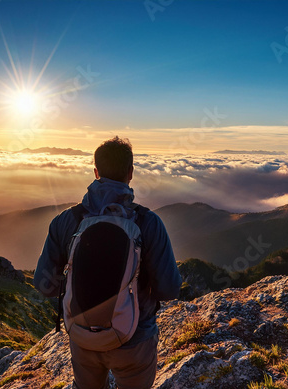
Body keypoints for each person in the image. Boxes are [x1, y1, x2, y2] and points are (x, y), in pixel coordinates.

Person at [34, 136, 182, 389]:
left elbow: (44, 285)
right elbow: (168, 290)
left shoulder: (66, 221)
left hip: (81, 337)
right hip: (134, 338)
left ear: (95, 172)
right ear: (131, 172)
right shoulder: (148, 223)